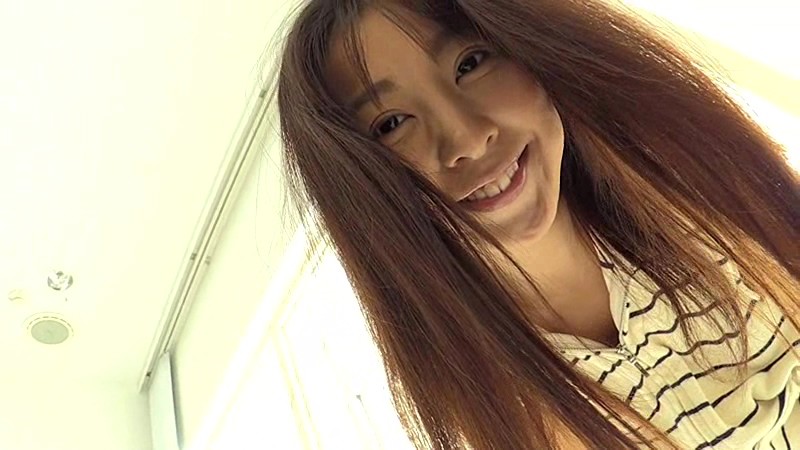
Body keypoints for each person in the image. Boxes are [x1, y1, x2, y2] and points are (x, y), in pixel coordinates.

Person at [272, 0, 800, 448]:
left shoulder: (691, 189)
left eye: (470, 64)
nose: (467, 139)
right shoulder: (491, 408)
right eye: (391, 124)